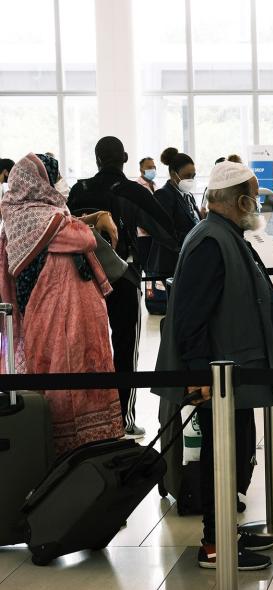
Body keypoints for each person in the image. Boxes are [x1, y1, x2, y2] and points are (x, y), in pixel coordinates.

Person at [154, 161, 273, 571]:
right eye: (255, 196)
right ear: (241, 200)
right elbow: (190, 317)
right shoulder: (212, 240)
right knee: (223, 455)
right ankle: (215, 543)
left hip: (234, 372)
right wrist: (200, 374)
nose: (259, 206)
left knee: (238, 450)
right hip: (219, 376)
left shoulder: (223, 233)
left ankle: (225, 531)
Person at [0, 154, 123, 455]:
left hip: (46, 312)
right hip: (61, 313)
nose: (59, 184)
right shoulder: (47, 219)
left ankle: (67, 444)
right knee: (69, 369)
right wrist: (88, 221)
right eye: (54, 177)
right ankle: (75, 445)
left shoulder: (20, 215)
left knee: (62, 368)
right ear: (39, 182)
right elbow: (83, 239)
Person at [67, 136, 178, 439]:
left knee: (85, 347)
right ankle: (123, 418)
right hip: (123, 278)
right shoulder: (131, 191)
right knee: (125, 345)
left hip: (82, 279)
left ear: (97, 159)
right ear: (125, 158)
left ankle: (88, 417)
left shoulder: (79, 190)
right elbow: (165, 229)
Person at [150, 148, 202, 276]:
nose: (191, 179)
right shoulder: (163, 195)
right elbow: (166, 233)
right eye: (187, 176)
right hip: (170, 265)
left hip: (188, 261)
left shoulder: (188, 195)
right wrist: (196, 239)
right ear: (174, 175)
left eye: (193, 176)